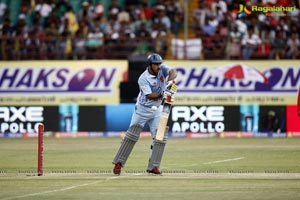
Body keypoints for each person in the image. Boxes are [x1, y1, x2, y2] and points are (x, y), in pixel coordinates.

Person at [112, 53, 177, 175]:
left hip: (157, 109)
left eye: (159, 63)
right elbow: (150, 96)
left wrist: (170, 82)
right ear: (149, 65)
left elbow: (173, 72)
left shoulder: (162, 69)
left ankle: (153, 167)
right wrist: (164, 93)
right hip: (142, 110)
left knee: (160, 137)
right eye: (155, 64)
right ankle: (118, 163)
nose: (158, 66)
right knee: (131, 136)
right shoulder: (143, 78)